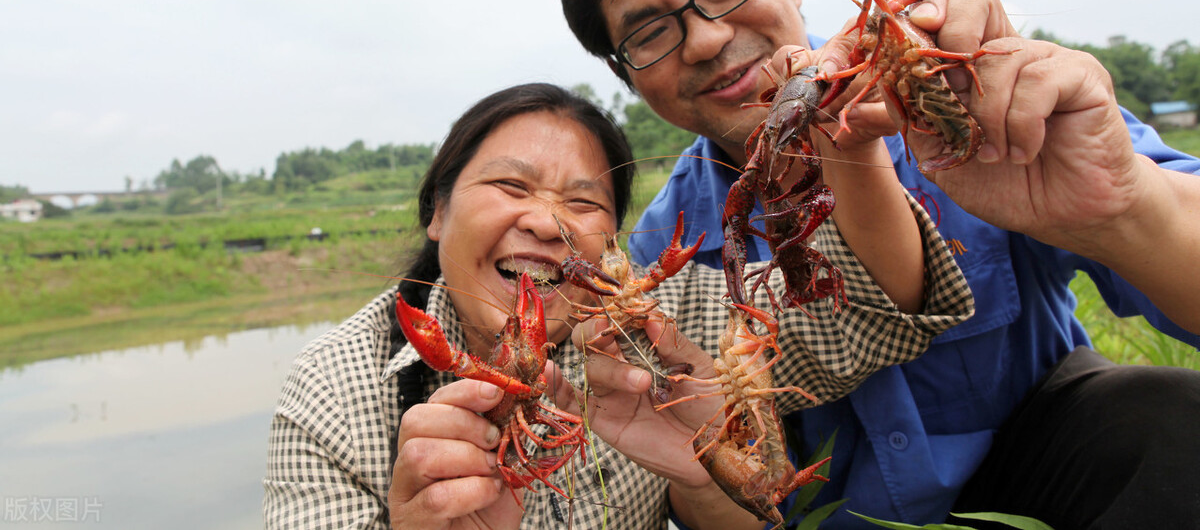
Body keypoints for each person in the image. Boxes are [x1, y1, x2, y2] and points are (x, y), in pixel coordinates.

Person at [559, 0, 1200, 528]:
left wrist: (1126, 208)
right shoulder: (667, 248)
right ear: (623, 74)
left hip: (1050, 460)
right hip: (832, 515)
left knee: (1165, 415)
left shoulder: (970, 97)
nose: (708, 38)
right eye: (650, 32)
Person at [262, 82, 975, 530]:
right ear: (438, 214)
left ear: (612, 238)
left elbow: (878, 312)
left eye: (582, 201)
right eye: (511, 187)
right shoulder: (336, 387)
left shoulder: (665, 322)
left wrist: (704, 479)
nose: (546, 222)